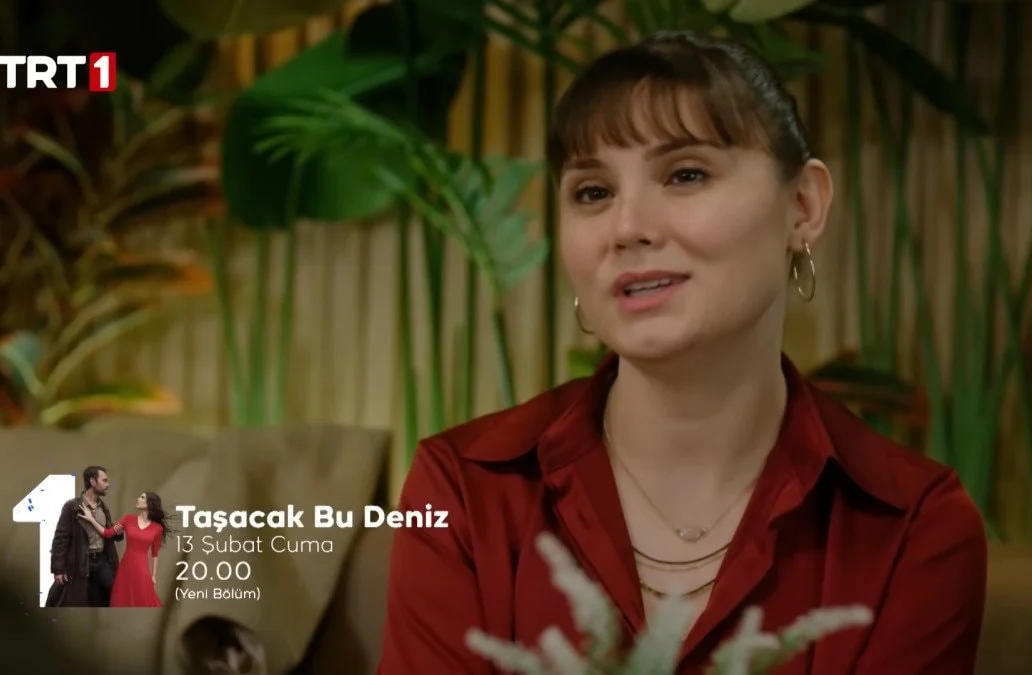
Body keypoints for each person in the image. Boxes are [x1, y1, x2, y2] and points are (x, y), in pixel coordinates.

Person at [378, 30, 988, 675]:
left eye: (686, 174)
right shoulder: (464, 490)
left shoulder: (913, 525)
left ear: (803, 206)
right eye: (592, 192)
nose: (627, 228)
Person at [80, 491, 174, 607]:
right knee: (121, 599)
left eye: (142, 497)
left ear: (150, 503)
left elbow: (155, 553)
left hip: (142, 570)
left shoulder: (157, 528)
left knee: (142, 601)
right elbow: (107, 533)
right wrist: (90, 519)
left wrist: (153, 576)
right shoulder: (128, 519)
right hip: (125, 568)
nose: (138, 499)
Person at [47, 465, 122, 607]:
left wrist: (117, 533)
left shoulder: (102, 507)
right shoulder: (72, 507)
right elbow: (61, 538)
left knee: (114, 593)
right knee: (78, 599)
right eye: (104, 480)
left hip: (101, 561)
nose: (108, 484)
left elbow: (106, 532)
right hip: (80, 562)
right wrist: (58, 569)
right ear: (92, 481)